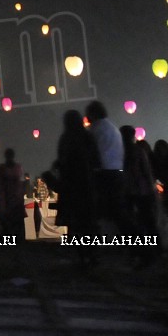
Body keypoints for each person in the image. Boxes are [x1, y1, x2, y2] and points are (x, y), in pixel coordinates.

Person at [55, 109, 99, 264]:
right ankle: (91, 255)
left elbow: (62, 161)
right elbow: (96, 160)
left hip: (71, 185)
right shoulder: (87, 137)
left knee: (75, 223)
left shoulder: (66, 139)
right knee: (87, 223)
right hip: (87, 185)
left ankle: (82, 255)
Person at [86, 100, 131, 235]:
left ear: (93, 114)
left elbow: (93, 153)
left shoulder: (95, 129)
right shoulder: (113, 128)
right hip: (118, 172)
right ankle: (136, 246)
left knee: (99, 212)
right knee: (118, 213)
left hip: (103, 174)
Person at [0, 149, 26, 242]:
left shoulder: (1, 169)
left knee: (8, 226)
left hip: (8, 200)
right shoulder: (17, 168)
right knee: (15, 226)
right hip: (15, 200)